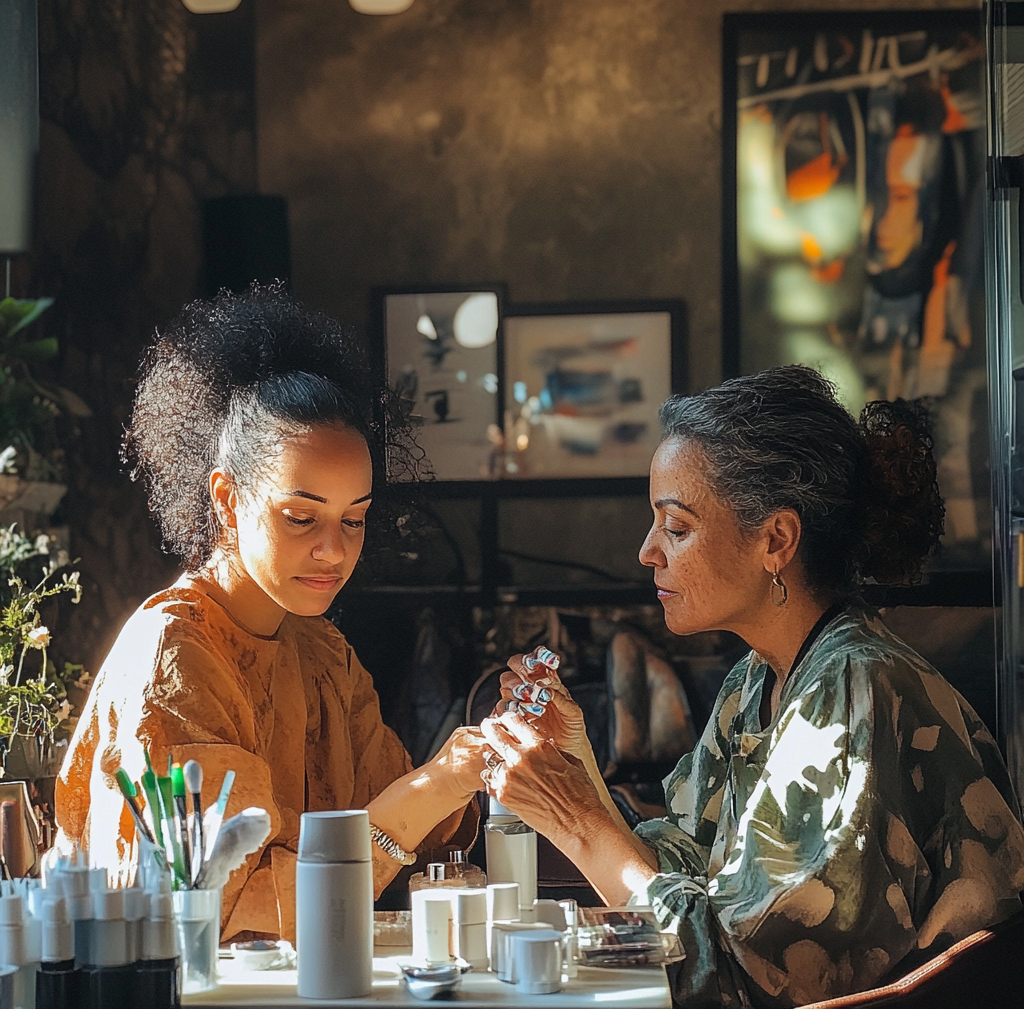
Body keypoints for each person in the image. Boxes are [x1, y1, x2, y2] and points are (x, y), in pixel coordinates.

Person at [480, 366, 1024, 1007]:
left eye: (676, 527)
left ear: (776, 539)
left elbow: (745, 980)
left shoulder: (856, 689)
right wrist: (580, 771)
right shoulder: (759, 680)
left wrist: (574, 817)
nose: (647, 551)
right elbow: (685, 876)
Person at [55, 285, 487, 942]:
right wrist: (433, 789)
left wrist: (483, 764)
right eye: (301, 517)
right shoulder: (171, 657)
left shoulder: (324, 652)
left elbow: (408, 834)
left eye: (355, 519)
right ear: (226, 500)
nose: (333, 550)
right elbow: (221, 911)